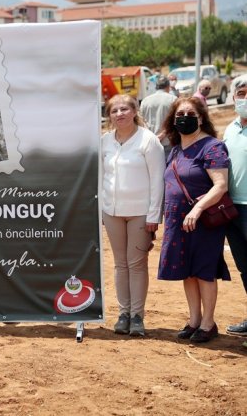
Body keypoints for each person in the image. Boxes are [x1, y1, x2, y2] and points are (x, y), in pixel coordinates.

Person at [158, 96, 231, 343]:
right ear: (173, 120)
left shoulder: (213, 147)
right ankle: (194, 320)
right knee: (187, 271)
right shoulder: (175, 149)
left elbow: (220, 185)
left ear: (201, 119)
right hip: (178, 221)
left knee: (203, 271)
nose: (185, 118)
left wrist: (197, 209)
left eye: (191, 114)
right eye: (180, 115)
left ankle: (208, 323)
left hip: (203, 221)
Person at [102, 95, 165, 336]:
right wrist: (101, 209)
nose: (120, 114)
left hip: (140, 213)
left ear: (134, 111)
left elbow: (157, 180)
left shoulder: (148, 140)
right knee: (120, 264)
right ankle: (123, 314)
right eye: (114, 110)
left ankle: (137, 316)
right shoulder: (105, 141)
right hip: (112, 212)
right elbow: (100, 178)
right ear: (109, 115)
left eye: (124, 109)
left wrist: (153, 215)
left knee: (136, 264)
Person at [223, 78, 247, 337]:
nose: (245, 98)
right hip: (232, 209)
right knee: (244, 267)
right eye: (241, 93)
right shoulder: (230, 129)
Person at [140, 75, 177, 157]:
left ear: (156, 87)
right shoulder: (173, 99)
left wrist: (154, 137)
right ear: (168, 86)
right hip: (168, 142)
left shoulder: (145, 101)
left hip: (150, 142)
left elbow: (141, 121)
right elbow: (175, 121)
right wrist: (162, 135)